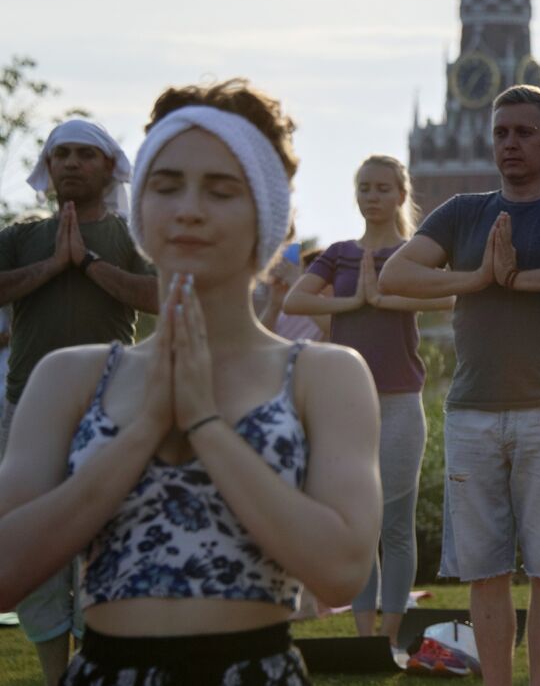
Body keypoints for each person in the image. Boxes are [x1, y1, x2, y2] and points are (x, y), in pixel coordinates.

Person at [0, 79, 382, 685]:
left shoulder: (321, 374)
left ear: (270, 215)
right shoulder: (69, 376)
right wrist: (144, 429)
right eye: (167, 184)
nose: (189, 209)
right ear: (141, 208)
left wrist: (205, 423)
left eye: (222, 189)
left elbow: (341, 569)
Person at [379, 85, 540, 686]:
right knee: (483, 572)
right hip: (474, 412)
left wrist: (517, 281)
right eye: (500, 133)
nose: (509, 144)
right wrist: (480, 276)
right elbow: (397, 274)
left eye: (523, 133)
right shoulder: (462, 210)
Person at [0, 119, 160, 684]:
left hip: (112, 410)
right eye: (60, 154)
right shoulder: (21, 237)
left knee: (104, 542)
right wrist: (52, 266)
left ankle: (97, 671)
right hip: (27, 412)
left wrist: (89, 264)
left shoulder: (127, 236)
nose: (70, 163)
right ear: (47, 166)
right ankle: (54, 677)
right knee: (35, 550)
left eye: (84, 155)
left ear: (107, 166)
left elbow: (160, 296)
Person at [281, 154, 453, 647]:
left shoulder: (414, 254)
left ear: (401, 194)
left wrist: (388, 299)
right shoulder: (339, 255)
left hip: (400, 402)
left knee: (395, 524)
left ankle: (393, 636)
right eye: (364, 188)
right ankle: (364, 638)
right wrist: (354, 301)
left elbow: (451, 296)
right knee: (359, 525)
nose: (372, 197)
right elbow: (297, 300)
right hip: (347, 405)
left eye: (382, 188)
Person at [259, 246, 329, 342]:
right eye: (305, 272)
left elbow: (331, 327)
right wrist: (274, 306)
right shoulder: (292, 307)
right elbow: (257, 341)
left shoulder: (335, 310)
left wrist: (297, 282)